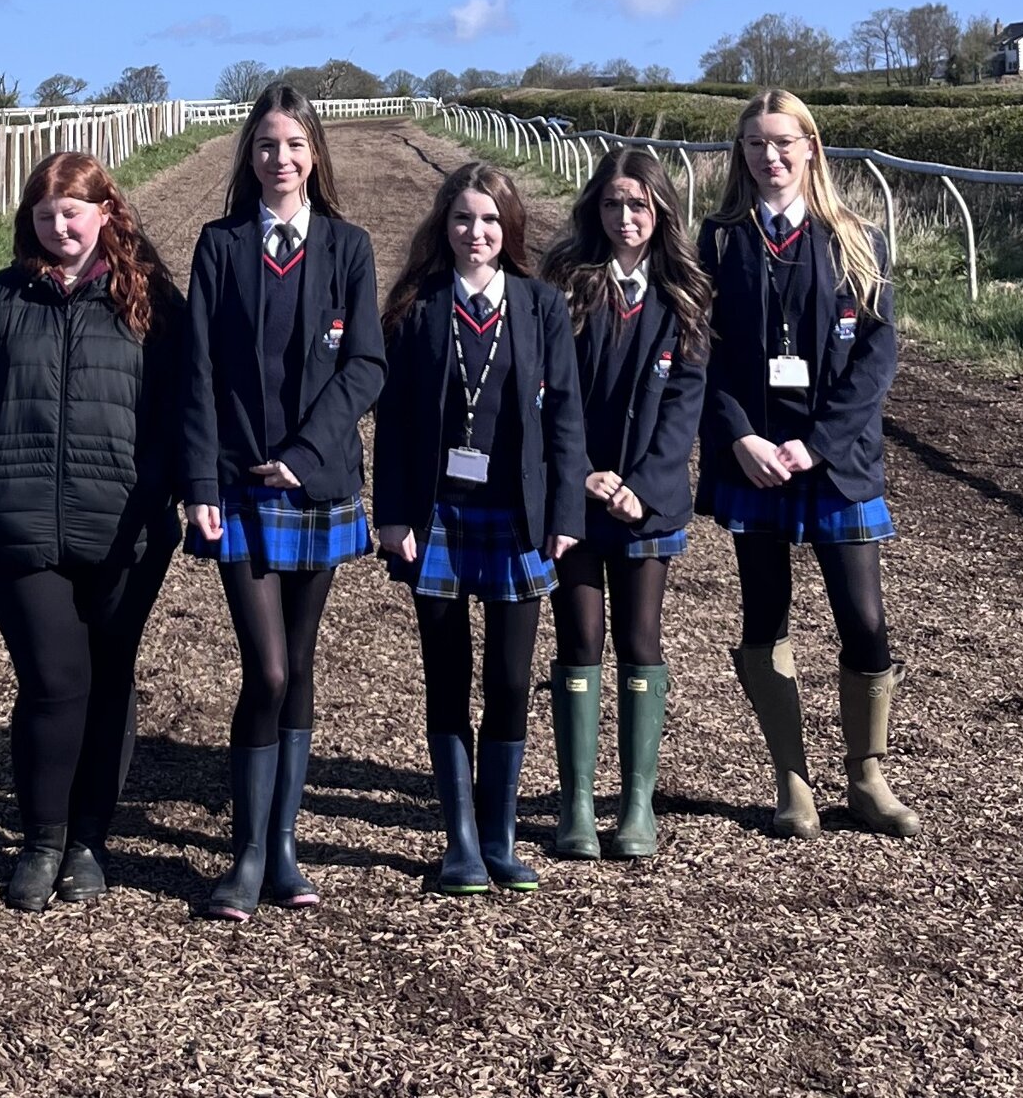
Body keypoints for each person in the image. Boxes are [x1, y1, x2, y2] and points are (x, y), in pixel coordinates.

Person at [0, 151, 184, 911]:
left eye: (72, 210)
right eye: (45, 214)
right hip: (18, 527)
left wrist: (160, 483)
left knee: (108, 681)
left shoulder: (151, 302)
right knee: (50, 682)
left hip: (125, 530)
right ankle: (41, 839)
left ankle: (88, 841)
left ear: (106, 212)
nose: (59, 225)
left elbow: (184, 404)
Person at [181, 83, 385, 921]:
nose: (281, 159)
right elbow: (195, 370)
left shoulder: (349, 246)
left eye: (295, 145)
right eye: (267, 145)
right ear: (250, 156)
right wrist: (199, 484)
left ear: (315, 156)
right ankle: (248, 851)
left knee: (296, 666)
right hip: (235, 486)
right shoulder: (220, 245)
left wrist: (304, 457)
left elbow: (365, 365)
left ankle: (286, 845)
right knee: (263, 667)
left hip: (317, 483)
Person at [700, 90, 919, 840]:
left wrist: (817, 442)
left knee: (864, 618)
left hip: (836, 459)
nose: (771, 157)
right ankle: (791, 779)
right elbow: (707, 355)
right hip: (755, 460)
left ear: (811, 146)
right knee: (765, 613)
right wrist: (739, 437)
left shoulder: (858, 238)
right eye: (756, 144)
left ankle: (867, 775)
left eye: (784, 142)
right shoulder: (719, 241)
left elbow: (877, 354)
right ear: (742, 154)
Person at [375, 162, 585, 895]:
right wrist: (392, 512)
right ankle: (458, 839)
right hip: (437, 518)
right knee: (447, 676)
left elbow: (565, 419)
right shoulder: (416, 306)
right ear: (445, 225)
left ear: (510, 228)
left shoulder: (540, 305)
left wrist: (566, 514)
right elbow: (395, 424)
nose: (476, 232)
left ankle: (498, 836)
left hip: (517, 517)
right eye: (464, 219)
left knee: (508, 677)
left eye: (490, 219)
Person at [539, 148, 709, 861]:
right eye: (613, 204)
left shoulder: (686, 297)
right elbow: (545, 392)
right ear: (595, 209)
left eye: (639, 205)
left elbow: (683, 406)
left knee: (640, 639)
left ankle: (636, 803)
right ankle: (577, 802)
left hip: (650, 501)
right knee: (580, 638)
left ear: (661, 211)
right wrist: (582, 476)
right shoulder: (565, 287)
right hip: (577, 496)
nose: (625, 217)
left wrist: (641, 484)